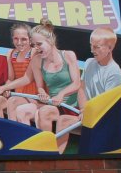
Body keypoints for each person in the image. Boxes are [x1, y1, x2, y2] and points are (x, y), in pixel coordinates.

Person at [15, 20, 82, 153]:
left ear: (50, 40)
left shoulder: (68, 55)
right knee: (21, 110)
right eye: (34, 45)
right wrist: (42, 93)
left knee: (44, 112)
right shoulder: (36, 60)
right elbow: (40, 86)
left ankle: (49, 152)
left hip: (71, 106)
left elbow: (77, 83)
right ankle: (30, 149)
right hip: (54, 104)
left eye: (39, 44)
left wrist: (61, 94)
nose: (36, 48)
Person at [0, 22, 37, 121]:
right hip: (17, 94)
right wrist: (6, 88)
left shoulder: (34, 52)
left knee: (13, 102)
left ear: (30, 40)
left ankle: (14, 132)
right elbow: (11, 78)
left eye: (23, 39)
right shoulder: (10, 53)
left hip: (33, 96)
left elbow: (28, 78)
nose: (19, 42)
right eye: (16, 38)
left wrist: (3, 88)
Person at [80, 27, 121, 101]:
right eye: (91, 45)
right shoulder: (89, 62)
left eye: (97, 47)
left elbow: (107, 105)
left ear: (110, 48)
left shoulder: (114, 73)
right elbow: (81, 88)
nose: (92, 50)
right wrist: (83, 108)